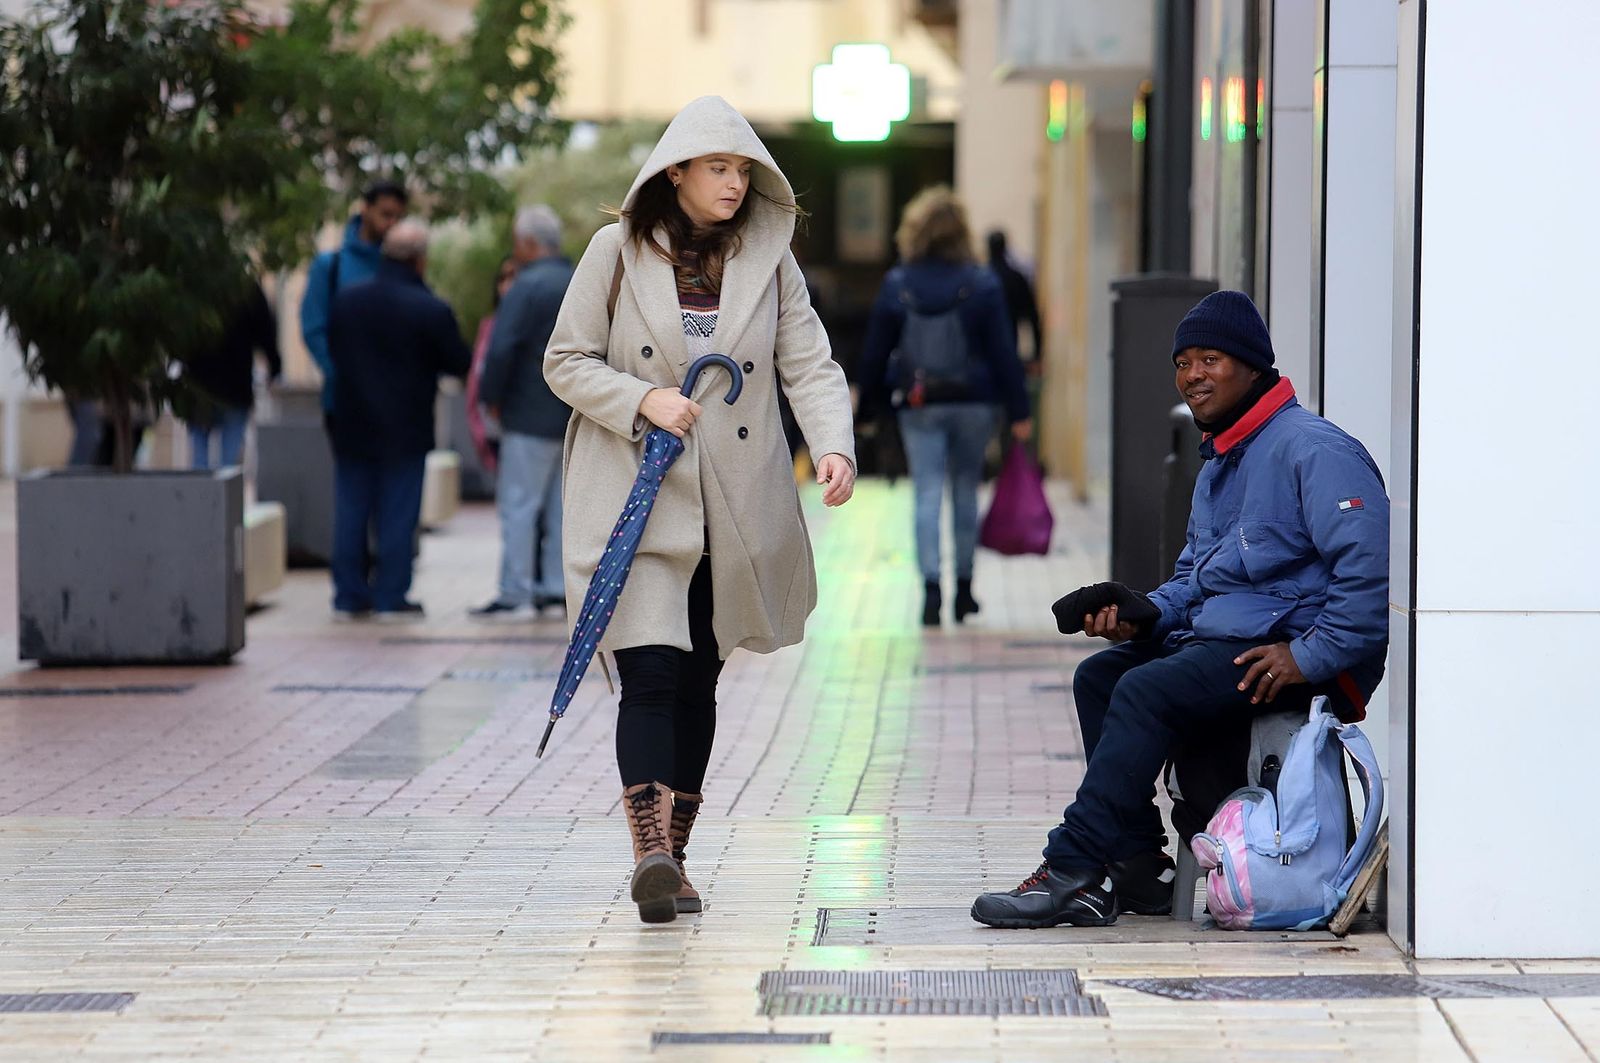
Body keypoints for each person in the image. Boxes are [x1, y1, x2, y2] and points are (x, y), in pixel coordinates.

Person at [970, 290, 1390, 929]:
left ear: (1251, 365)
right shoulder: (1222, 459)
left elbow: (1368, 584)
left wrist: (1307, 657)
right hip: (1230, 644)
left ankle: (1074, 867)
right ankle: (1138, 868)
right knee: (1102, 676)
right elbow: (1195, 579)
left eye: (1210, 359)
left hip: (1291, 655)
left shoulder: (1315, 450)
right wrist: (1142, 613)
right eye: (1182, 362)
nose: (1193, 376)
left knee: (1143, 690)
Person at [543, 96, 856, 924]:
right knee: (648, 668)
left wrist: (833, 445)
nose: (733, 183)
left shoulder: (769, 259)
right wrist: (642, 396)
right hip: (637, 496)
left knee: (698, 677)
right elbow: (564, 360)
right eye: (719, 167)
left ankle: (675, 857)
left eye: (744, 169)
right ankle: (647, 846)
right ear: (675, 171)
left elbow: (810, 362)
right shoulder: (614, 252)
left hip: (734, 497)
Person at [858, 187, 1033, 628]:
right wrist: (1019, 410)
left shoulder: (898, 284)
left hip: (919, 404)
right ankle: (965, 589)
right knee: (964, 491)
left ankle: (931, 591)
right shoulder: (982, 283)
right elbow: (1003, 353)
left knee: (927, 492)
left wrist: (868, 408)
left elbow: (875, 351)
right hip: (975, 404)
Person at [326, 221, 471, 622]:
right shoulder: (431, 308)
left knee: (350, 511)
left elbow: (334, 352)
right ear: (420, 260)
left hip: (351, 424)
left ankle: (348, 595)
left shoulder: (347, 302)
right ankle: (391, 596)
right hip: (405, 428)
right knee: (397, 515)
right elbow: (458, 361)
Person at [472, 206, 575, 620]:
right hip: (572, 415)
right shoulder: (577, 282)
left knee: (519, 506)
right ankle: (555, 591)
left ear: (529, 243)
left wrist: (489, 398)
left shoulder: (526, 286)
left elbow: (500, 349)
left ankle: (515, 592)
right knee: (560, 509)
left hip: (527, 416)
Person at [300, 181, 409, 419]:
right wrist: (341, 375)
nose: (391, 223)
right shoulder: (330, 266)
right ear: (365, 209)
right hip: (345, 402)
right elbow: (313, 328)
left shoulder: (402, 268)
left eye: (398, 217)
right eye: (386, 214)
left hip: (395, 404)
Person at [184, 280, 282, 469]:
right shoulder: (246, 288)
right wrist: (275, 367)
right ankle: (222, 497)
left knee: (200, 460)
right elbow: (266, 333)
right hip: (235, 384)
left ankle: (200, 497)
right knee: (229, 466)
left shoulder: (195, 284)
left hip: (200, 382)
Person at [464, 256, 519, 476]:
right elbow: (477, 374)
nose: (507, 284)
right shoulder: (489, 325)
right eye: (503, 278)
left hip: (522, 425)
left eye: (514, 277)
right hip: (493, 424)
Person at [986, 230, 1042, 363]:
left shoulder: (978, 280)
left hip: (984, 354)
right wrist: (1037, 354)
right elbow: (1032, 316)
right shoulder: (1016, 278)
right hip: (1009, 347)